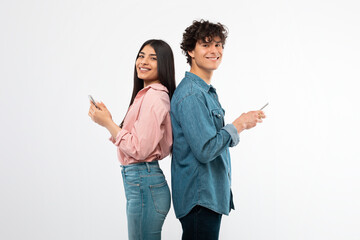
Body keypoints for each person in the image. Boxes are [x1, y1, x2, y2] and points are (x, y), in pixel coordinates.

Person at [170, 20, 266, 240]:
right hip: (199, 199)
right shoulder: (193, 94)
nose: (214, 50)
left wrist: (241, 125)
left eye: (218, 44)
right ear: (190, 51)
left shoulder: (205, 92)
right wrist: (238, 124)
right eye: (206, 45)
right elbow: (205, 150)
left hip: (207, 196)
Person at [88, 39, 176, 240]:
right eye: (141, 55)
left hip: (144, 183)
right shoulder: (144, 95)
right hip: (141, 183)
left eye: (152, 58)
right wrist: (109, 121)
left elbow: (141, 149)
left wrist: (108, 122)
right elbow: (136, 140)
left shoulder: (155, 96)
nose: (143, 61)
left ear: (164, 64)